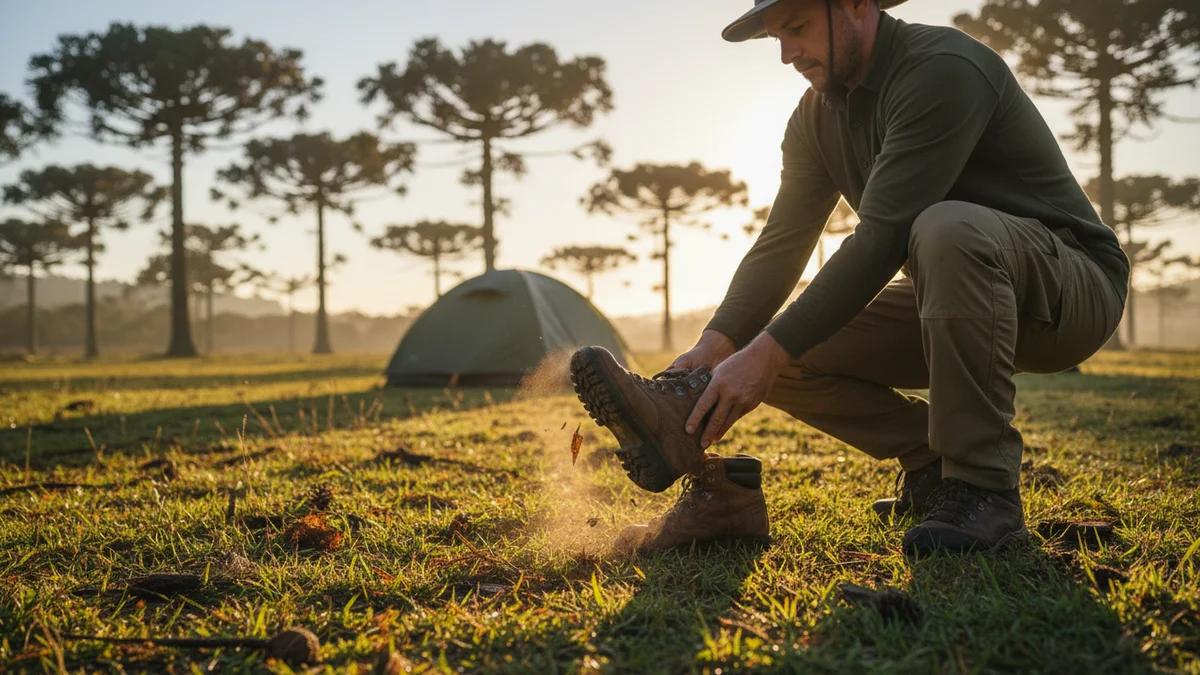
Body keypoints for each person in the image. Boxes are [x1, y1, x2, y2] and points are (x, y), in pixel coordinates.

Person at [569, 0, 1128, 556]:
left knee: (944, 228)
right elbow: (781, 243)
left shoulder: (944, 68)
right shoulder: (814, 118)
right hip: (954, 298)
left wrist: (765, 351)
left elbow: (885, 234)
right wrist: (718, 345)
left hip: (1069, 292)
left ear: (858, 5)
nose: (786, 54)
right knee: (777, 350)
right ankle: (933, 462)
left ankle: (984, 487)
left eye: (797, 28)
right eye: (775, 38)